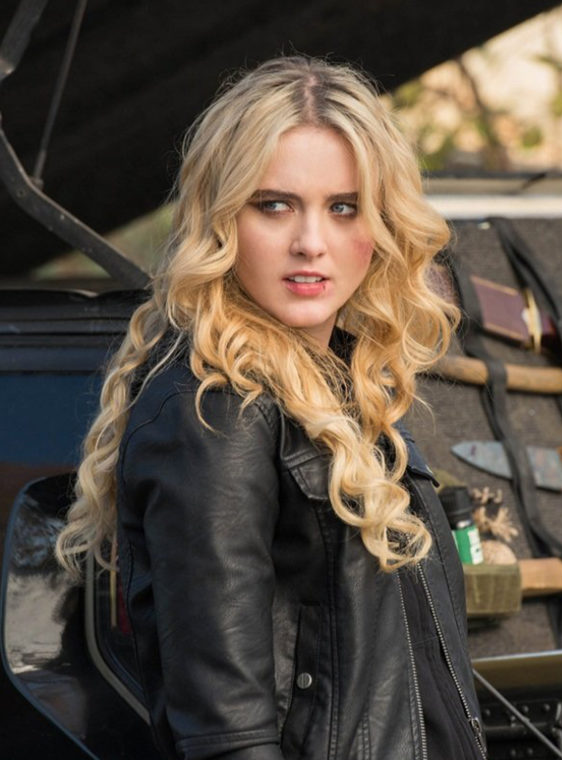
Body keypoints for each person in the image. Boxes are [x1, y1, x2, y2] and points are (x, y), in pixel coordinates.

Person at [56, 56, 486, 760]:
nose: (310, 243)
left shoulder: (344, 383)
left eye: (343, 207)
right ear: (222, 217)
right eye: (274, 205)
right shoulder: (218, 409)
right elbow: (229, 736)